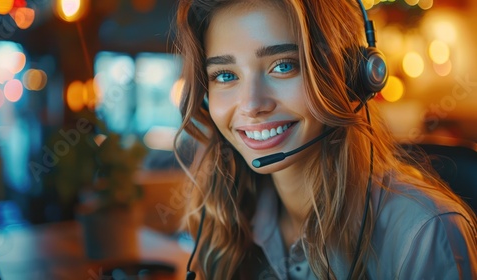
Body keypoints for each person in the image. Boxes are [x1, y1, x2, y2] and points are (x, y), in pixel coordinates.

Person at [172, 0, 477, 279]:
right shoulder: (226, 216)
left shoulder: (424, 234)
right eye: (225, 75)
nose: (252, 105)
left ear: (348, 78)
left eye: (283, 66)